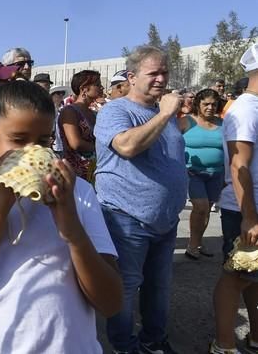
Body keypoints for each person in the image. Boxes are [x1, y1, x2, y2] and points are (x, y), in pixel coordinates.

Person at [0, 80, 122, 353]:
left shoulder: (79, 192)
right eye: (18, 140)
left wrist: (72, 229)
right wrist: (0, 203)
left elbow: (110, 302)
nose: (31, 152)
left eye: (43, 141)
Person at [94, 46, 187, 354]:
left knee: (158, 287)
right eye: (153, 73)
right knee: (126, 286)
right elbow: (127, 146)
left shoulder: (165, 112)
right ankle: (123, 346)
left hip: (165, 220)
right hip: (126, 217)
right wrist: (164, 114)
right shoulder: (116, 110)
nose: (161, 79)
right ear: (132, 77)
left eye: (165, 73)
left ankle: (153, 340)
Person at [210, 43, 258, 354]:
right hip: (247, 211)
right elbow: (239, 164)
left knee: (253, 278)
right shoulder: (245, 109)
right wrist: (249, 217)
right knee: (237, 275)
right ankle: (224, 344)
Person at [177, 89, 224, 259]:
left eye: (214, 104)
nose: (210, 107)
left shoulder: (223, 124)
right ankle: (192, 246)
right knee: (201, 207)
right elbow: (170, 143)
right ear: (198, 104)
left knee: (206, 210)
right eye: (206, 104)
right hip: (193, 173)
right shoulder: (186, 122)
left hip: (217, 174)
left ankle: (197, 241)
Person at [58, 70, 102, 182]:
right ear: (84, 89)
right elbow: (75, 143)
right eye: (97, 85)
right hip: (76, 173)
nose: (101, 87)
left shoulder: (93, 112)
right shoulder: (70, 111)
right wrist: (101, 148)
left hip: (94, 170)